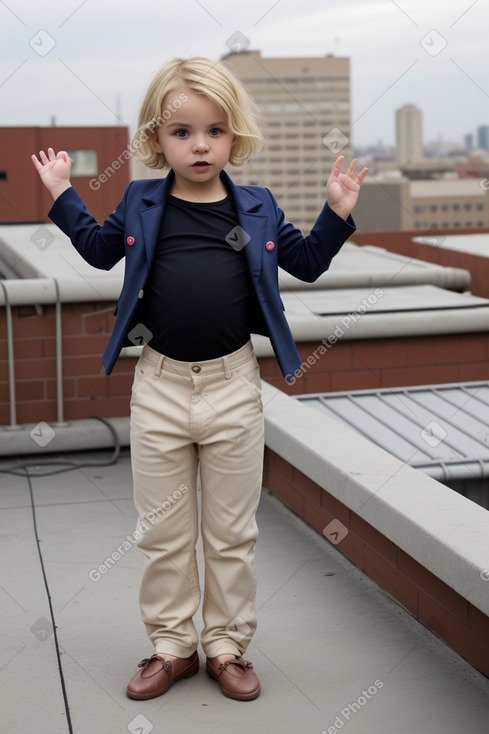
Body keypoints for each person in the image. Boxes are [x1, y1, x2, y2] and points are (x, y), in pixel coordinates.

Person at [31, 55, 368, 703]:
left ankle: (225, 645)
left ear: (232, 134)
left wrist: (334, 215)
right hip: (157, 386)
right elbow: (100, 250)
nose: (199, 144)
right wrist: (60, 193)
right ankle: (170, 646)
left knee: (231, 532)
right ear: (157, 139)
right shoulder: (140, 199)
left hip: (234, 386)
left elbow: (303, 264)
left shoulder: (257, 205)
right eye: (182, 132)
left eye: (214, 130)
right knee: (162, 530)